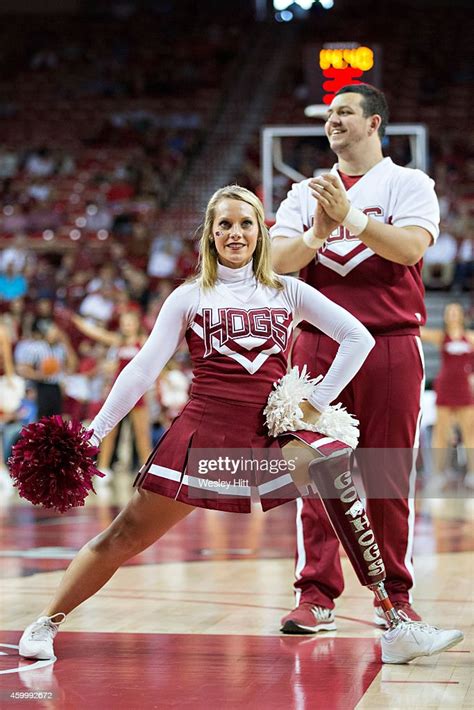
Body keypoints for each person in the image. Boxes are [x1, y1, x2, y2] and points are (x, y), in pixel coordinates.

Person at [18, 186, 462, 664]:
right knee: (125, 536)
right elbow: (144, 368)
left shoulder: (287, 288)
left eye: (246, 223)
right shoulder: (190, 296)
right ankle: (46, 622)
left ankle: (395, 624)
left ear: (261, 232)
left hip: (268, 437)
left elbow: (357, 337)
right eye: (225, 224)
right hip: (203, 437)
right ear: (210, 234)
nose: (236, 233)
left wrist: (314, 403)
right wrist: (96, 432)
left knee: (339, 480)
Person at [270, 83, 440, 633]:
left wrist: (355, 218)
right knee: (314, 471)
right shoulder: (304, 193)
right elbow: (276, 258)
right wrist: (320, 230)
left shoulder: (409, 183)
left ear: (374, 123)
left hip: (390, 342)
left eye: (345, 112)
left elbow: (411, 249)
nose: (333, 121)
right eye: (329, 115)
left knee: (387, 473)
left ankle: (394, 594)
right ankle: (316, 593)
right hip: (319, 344)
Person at [70, 309, 151, 475]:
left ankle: (147, 470)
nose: (127, 326)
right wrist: (77, 321)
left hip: (137, 393)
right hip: (118, 393)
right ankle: (103, 468)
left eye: (130, 322)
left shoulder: (143, 341)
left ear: (136, 324)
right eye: (124, 323)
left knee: (142, 434)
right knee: (108, 433)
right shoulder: (117, 341)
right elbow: (97, 333)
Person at [421, 302, 474, 490]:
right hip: (445, 388)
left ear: (461, 315)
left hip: (465, 390)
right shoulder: (441, 336)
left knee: (469, 433)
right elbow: (419, 332)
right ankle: (437, 474)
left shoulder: (470, 338)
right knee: (441, 433)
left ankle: (472, 473)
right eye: (449, 311)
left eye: (455, 311)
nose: (452, 314)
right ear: (444, 316)